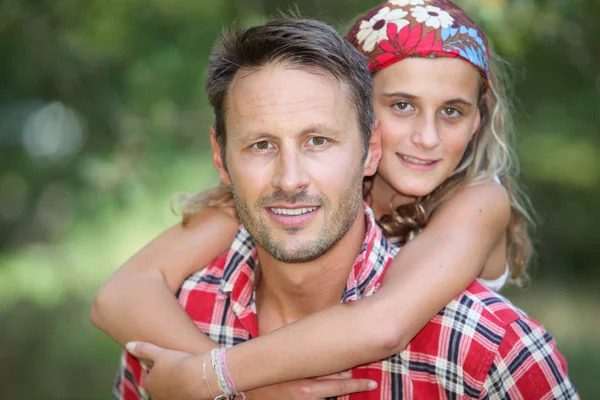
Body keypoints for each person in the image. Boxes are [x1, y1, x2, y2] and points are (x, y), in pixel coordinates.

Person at [107, 10, 577, 400]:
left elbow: (385, 322)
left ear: (478, 120)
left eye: (451, 111)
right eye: (402, 105)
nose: (427, 137)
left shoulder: (477, 200)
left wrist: (209, 378)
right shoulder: (279, 195)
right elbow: (122, 293)